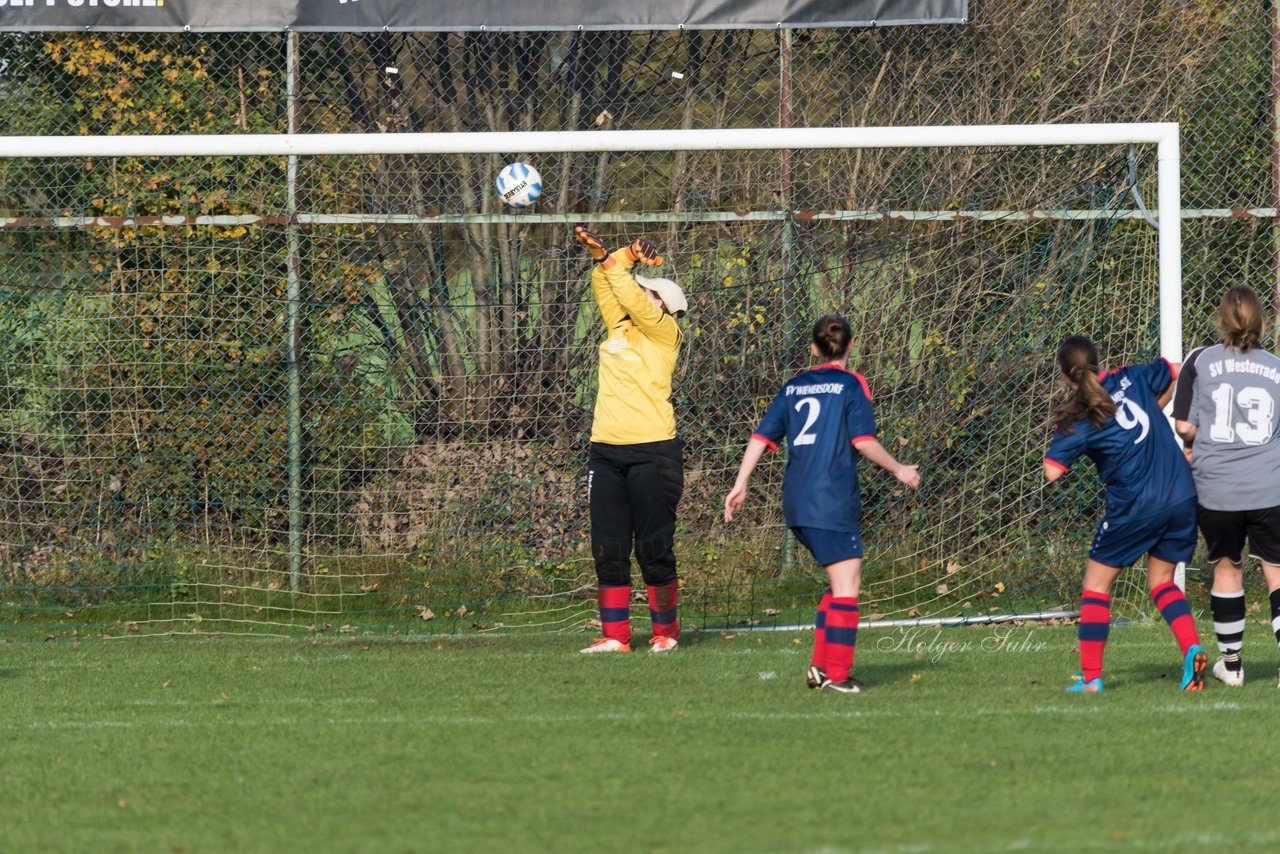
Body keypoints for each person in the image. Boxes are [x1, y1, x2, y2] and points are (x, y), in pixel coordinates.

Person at [723, 314, 921, 693]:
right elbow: (863, 441)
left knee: (839, 584)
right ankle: (838, 676)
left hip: (797, 501)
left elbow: (761, 437)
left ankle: (820, 668)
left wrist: (740, 483)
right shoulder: (852, 385)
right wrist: (899, 470)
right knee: (848, 586)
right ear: (850, 346)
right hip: (830, 498)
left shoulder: (794, 386)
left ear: (813, 348)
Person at [1043, 334, 1206, 693]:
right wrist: (1156, 403)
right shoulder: (1130, 376)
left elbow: (1052, 472)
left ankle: (1091, 679)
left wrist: (1066, 433)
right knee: (1162, 582)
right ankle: (1192, 648)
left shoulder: (1080, 417)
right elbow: (1180, 370)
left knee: (1096, 586)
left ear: (1065, 376)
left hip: (1136, 504)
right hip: (1180, 493)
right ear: (1099, 362)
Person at [573, 225, 688, 654]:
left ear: (664, 305)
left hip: (653, 452)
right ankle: (615, 638)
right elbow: (606, 285)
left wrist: (615, 263)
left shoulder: (666, 334)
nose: (639, 298)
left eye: (647, 294)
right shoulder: (619, 328)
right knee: (608, 548)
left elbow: (625, 291)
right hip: (605, 452)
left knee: (654, 548)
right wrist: (614, 254)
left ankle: (666, 633)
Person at [1172, 285, 1280, 688]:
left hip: (1217, 488)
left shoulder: (1200, 360)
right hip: (1270, 486)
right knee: (1277, 573)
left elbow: (1184, 425)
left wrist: (1192, 444)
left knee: (1227, 568)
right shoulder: (1276, 366)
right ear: (1260, 322)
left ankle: (1232, 666)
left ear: (1221, 320)